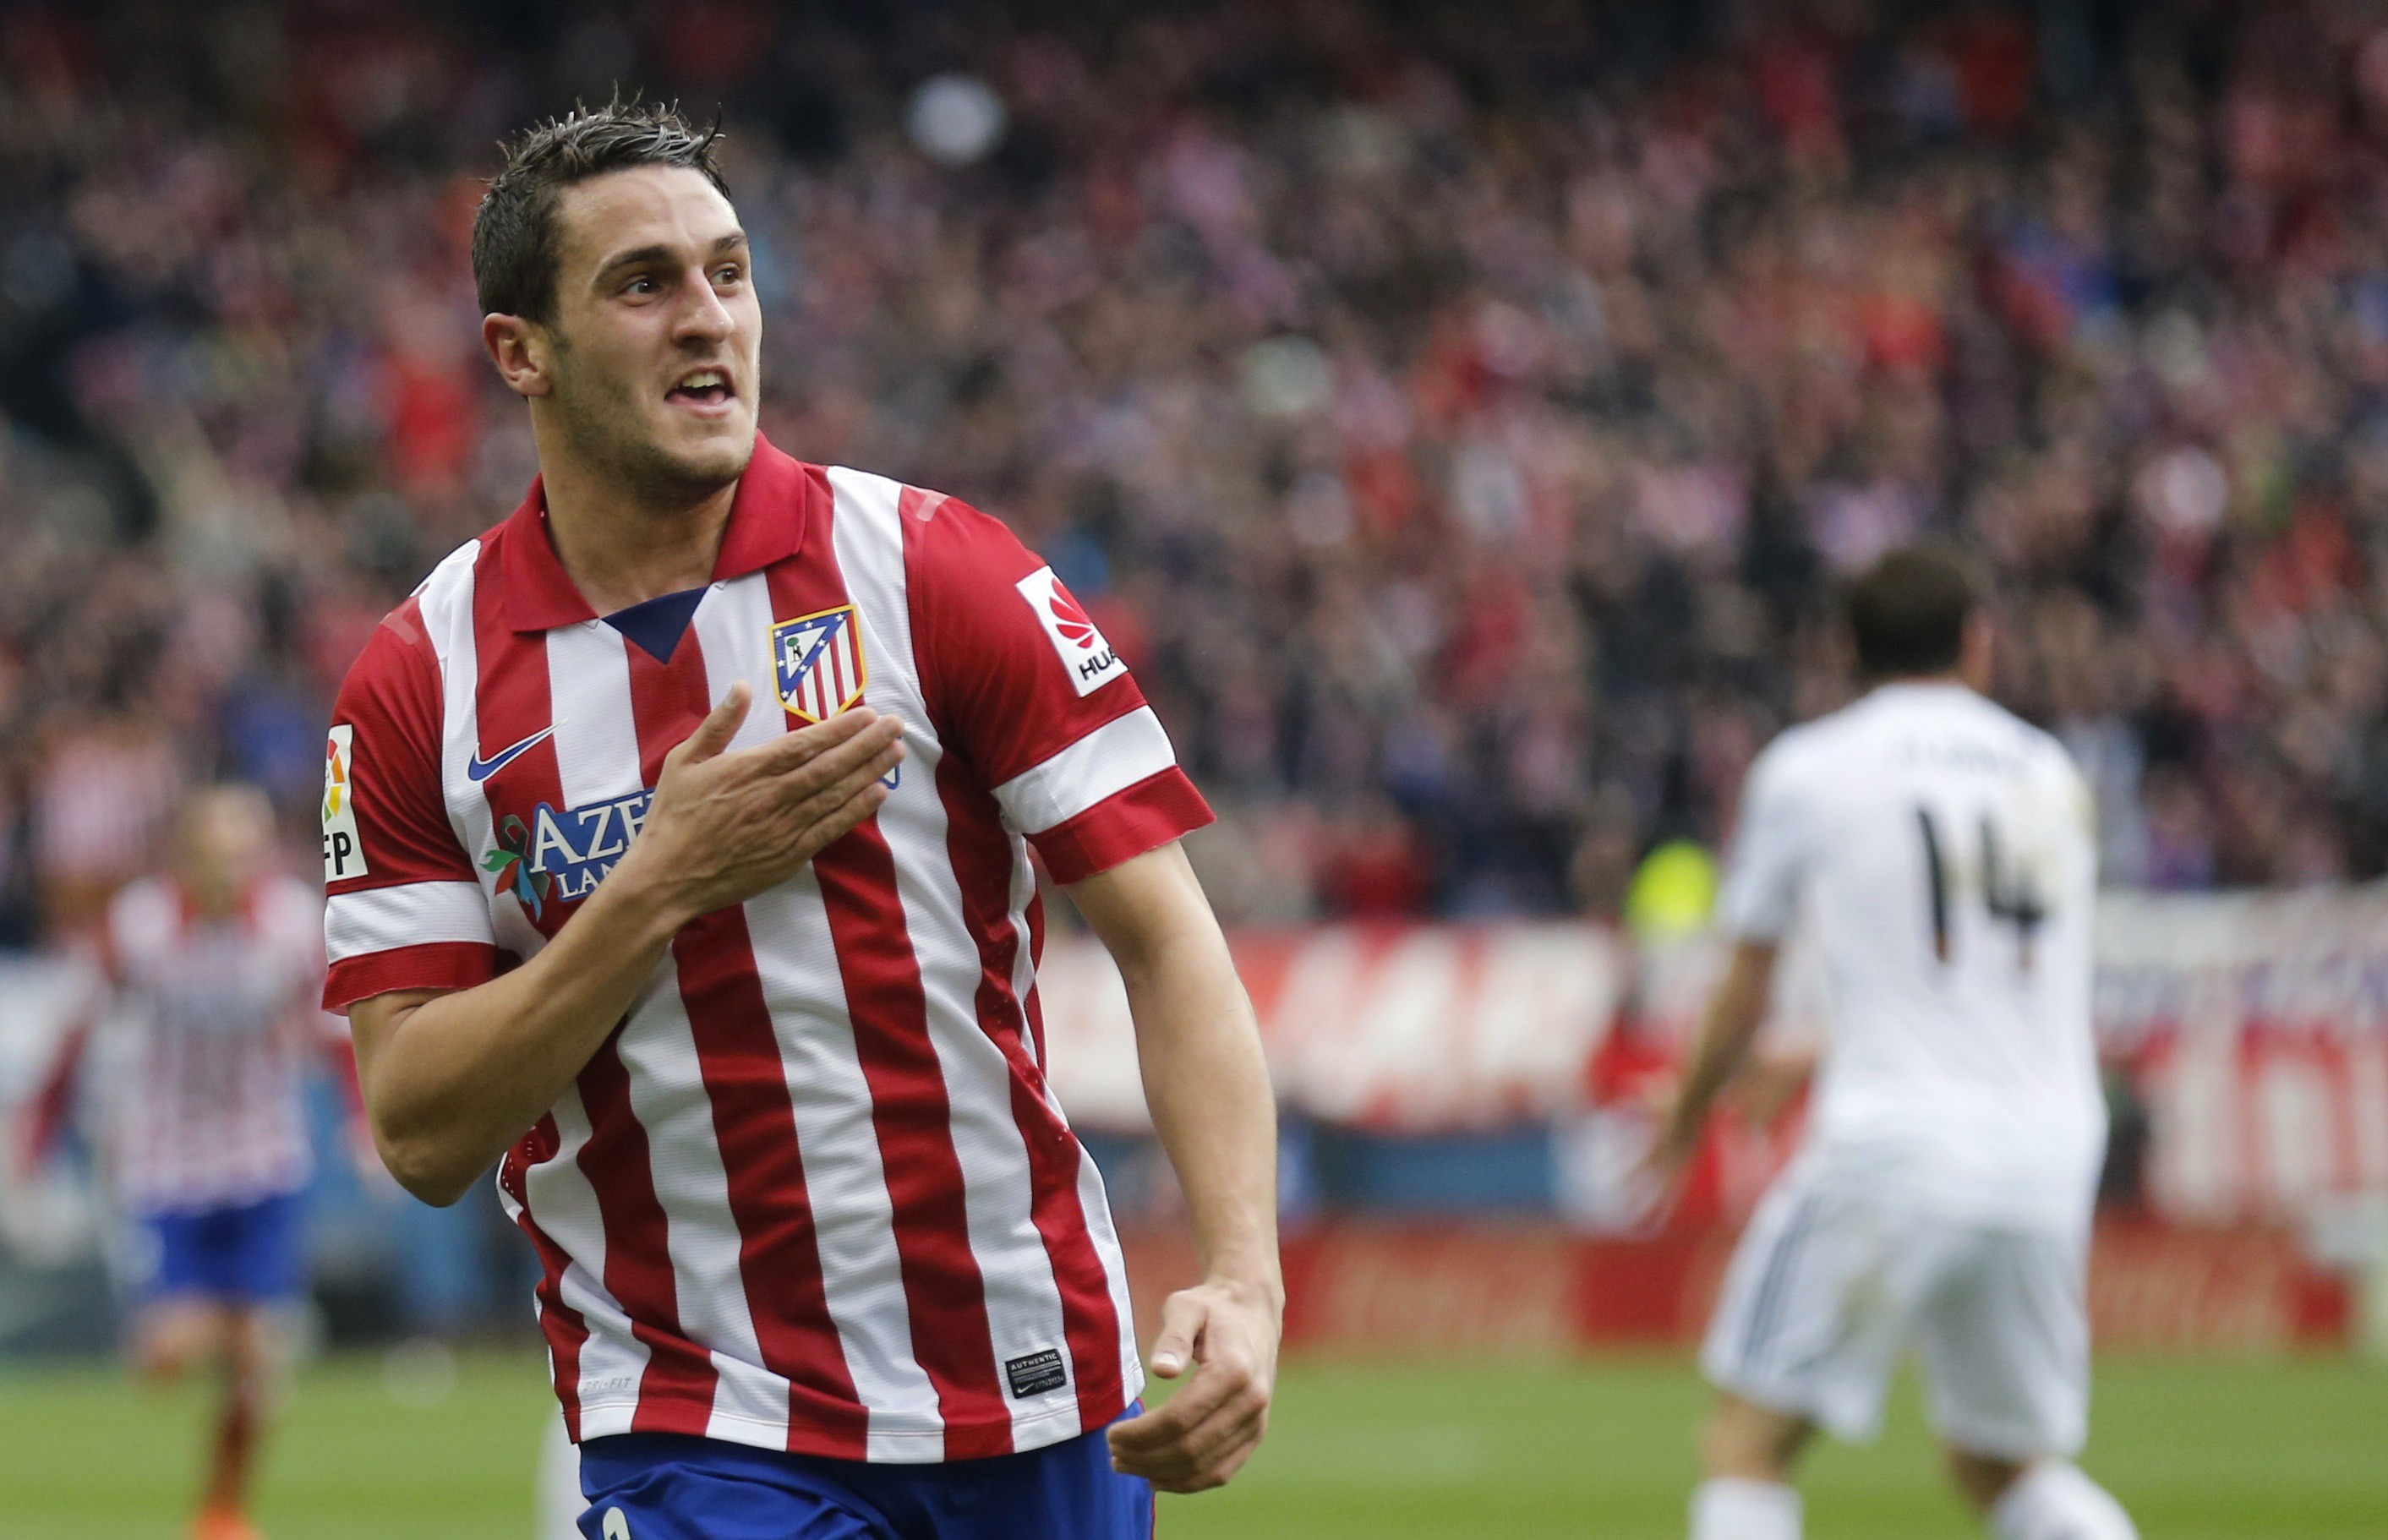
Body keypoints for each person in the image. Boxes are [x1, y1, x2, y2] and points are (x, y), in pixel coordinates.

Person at [322, 100, 1280, 1539]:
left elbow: (1165, 939)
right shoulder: (423, 680)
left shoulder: (934, 570)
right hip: (702, 1415)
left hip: (1023, 1379)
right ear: (520, 351)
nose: (708, 319)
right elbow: (418, 1130)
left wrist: (1244, 1274)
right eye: (642, 284)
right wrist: (655, 888)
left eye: (729, 272)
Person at [1642, 546, 2138, 1540]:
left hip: (1896, 1142)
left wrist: (1686, 1112)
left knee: (1746, 1443)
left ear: (1844, 649)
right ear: (1975, 640)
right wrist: (1823, 1045)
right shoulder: (2050, 770)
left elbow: (1744, 981)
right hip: (2045, 1145)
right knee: (2000, 1462)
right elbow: (1992, 984)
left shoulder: (1810, 767)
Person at [27, 784, 331, 1540]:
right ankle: (255, 1336)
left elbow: (333, 1029)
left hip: (265, 1159)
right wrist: (35, 1140)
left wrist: (363, 1123)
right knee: (166, 1356)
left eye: (249, 849)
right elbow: (72, 1034)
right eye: (222, 850)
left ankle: (223, 1509)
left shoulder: (292, 925)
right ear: (187, 854)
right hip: (168, 1167)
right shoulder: (141, 928)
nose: (238, 866)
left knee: (256, 1366)